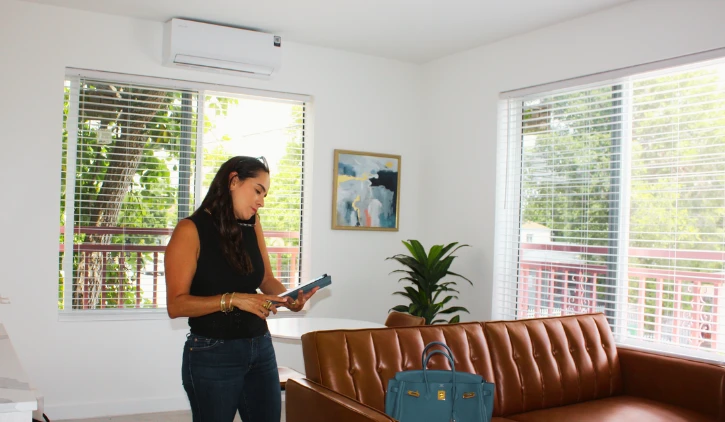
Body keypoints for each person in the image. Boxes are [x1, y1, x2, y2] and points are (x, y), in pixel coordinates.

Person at [164, 156, 318, 422]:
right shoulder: (190, 230)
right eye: (258, 190)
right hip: (212, 351)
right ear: (234, 181)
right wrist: (232, 300)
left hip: (260, 346)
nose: (262, 201)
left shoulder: (253, 224)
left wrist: (288, 298)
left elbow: (266, 279)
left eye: (265, 194)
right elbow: (176, 305)